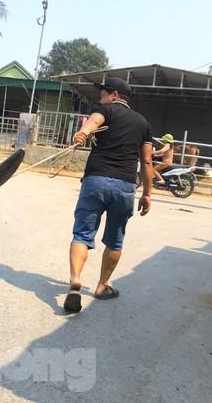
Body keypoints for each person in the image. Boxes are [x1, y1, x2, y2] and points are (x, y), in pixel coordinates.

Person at [64, 77, 153, 313]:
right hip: (124, 186)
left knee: (82, 234)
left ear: (114, 94)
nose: (99, 98)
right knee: (115, 239)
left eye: (102, 93)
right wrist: (147, 194)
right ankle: (102, 286)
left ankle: (75, 279)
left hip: (95, 181)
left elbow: (94, 121)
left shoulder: (105, 109)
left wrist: (83, 132)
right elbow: (146, 161)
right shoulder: (144, 123)